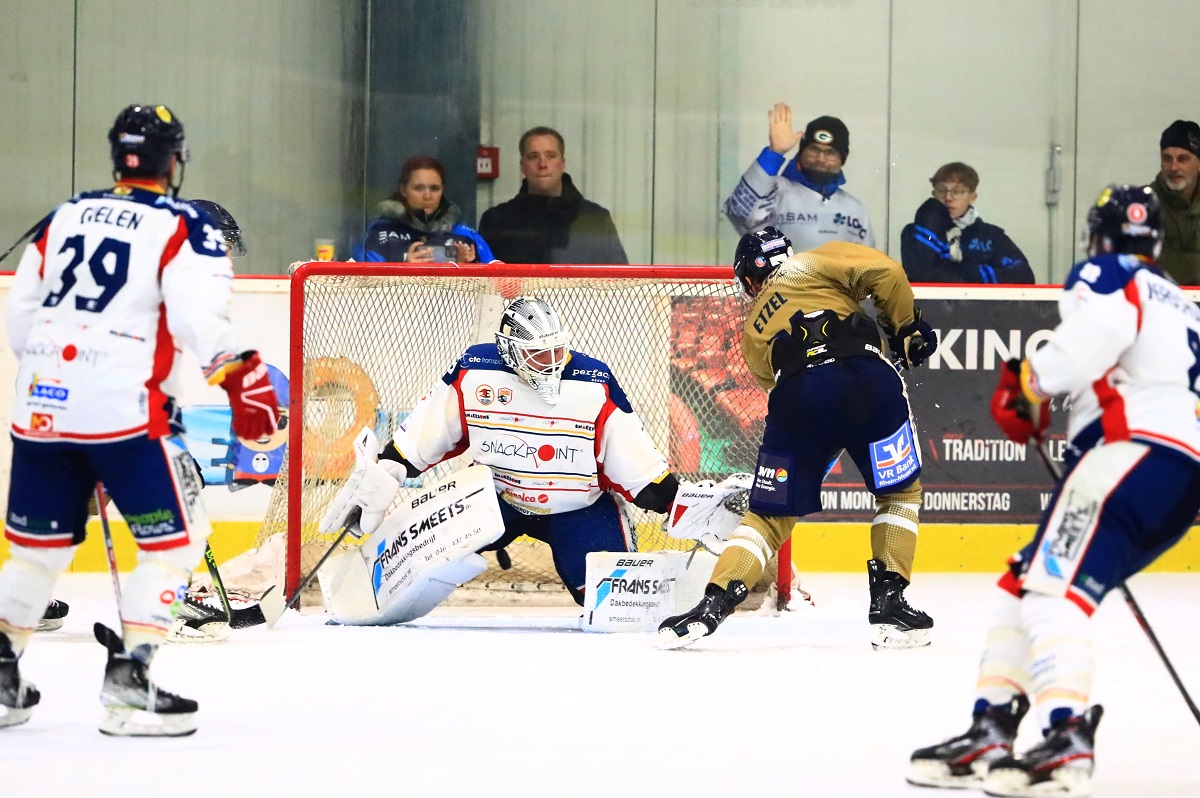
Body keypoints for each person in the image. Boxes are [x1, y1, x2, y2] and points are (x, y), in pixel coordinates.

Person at [908, 185, 1200, 797]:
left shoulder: (1112, 272)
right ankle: (990, 723)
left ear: (1102, 236)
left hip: (1130, 456)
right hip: (1178, 477)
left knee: (1050, 590)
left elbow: (1084, 345)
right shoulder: (1185, 306)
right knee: (1028, 576)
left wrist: (1032, 384)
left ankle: (1067, 735)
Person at [0, 104, 281, 736]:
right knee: (176, 538)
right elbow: (202, 326)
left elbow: (21, 319)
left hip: (41, 402)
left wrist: (62, 383)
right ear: (173, 161)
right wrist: (243, 382)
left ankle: (2, 677)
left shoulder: (64, 215)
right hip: (124, 412)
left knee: (35, 550)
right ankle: (130, 683)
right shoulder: (184, 226)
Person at [658, 227, 939, 650]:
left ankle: (713, 603)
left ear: (749, 280)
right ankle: (890, 601)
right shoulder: (813, 262)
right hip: (869, 383)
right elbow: (887, 272)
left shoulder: (753, 331)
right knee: (899, 494)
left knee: (767, 518)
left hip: (799, 399)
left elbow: (781, 386)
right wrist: (905, 329)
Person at [320, 296, 694, 607]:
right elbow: (424, 434)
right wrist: (388, 471)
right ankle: (363, 590)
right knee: (414, 563)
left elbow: (636, 461)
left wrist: (679, 504)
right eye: (537, 355)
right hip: (495, 502)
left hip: (579, 510)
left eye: (557, 352)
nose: (551, 363)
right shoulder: (475, 370)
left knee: (617, 606)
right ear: (509, 352)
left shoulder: (593, 383)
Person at [724, 104, 874, 251]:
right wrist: (774, 153)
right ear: (801, 150)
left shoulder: (855, 209)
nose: (820, 158)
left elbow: (869, 267)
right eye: (814, 149)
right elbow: (740, 213)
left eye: (830, 153)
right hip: (778, 276)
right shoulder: (774, 191)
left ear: (843, 159)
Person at [477, 127, 628, 264]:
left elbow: (622, 286)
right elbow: (480, 287)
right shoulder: (496, 222)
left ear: (562, 164)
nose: (543, 164)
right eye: (533, 156)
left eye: (551, 156)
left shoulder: (596, 220)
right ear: (523, 167)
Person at [900, 162, 1034, 284]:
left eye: (957, 191)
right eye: (942, 190)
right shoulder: (915, 232)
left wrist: (959, 273)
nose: (948, 197)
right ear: (934, 194)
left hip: (981, 310)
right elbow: (923, 275)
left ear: (972, 197)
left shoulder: (991, 236)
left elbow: (1023, 275)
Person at [355, 155, 494, 263]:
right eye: (418, 188)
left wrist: (466, 270)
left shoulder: (466, 237)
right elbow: (360, 288)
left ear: (443, 191)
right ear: (403, 190)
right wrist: (402, 270)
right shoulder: (379, 234)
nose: (427, 196)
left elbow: (498, 287)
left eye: (435, 188)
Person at [1152, 119, 1200, 285]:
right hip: (1159, 307)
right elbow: (1138, 267)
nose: (1174, 167)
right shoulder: (1145, 205)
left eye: (1183, 159)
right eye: (1167, 158)